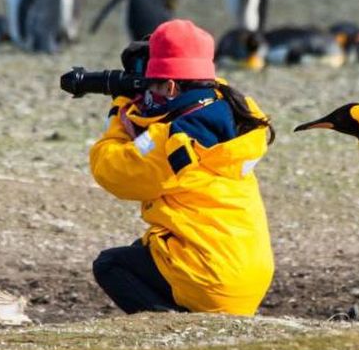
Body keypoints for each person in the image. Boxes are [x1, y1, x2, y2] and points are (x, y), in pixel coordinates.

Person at [90, 19, 275, 315]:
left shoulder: (174, 139)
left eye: (153, 83)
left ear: (172, 86)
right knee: (144, 248)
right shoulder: (230, 110)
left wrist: (120, 111)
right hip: (248, 274)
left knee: (110, 265)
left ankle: (174, 323)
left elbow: (111, 170)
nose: (147, 90)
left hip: (212, 281)